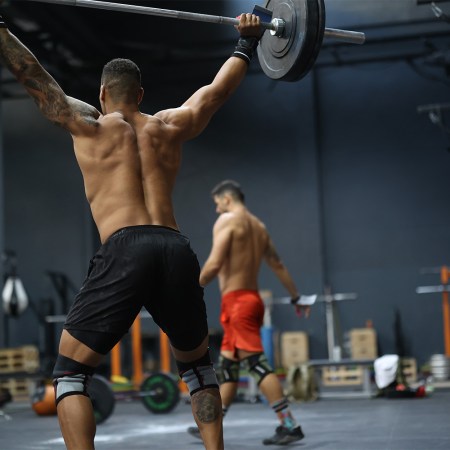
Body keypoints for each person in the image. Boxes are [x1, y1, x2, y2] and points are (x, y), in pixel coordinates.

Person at [0, 12, 264, 450]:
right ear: (140, 95)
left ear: (102, 94)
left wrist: (3, 28)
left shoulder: (88, 125)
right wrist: (248, 43)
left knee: (70, 374)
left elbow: (32, 74)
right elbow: (216, 93)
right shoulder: (168, 126)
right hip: (175, 248)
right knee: (198, 368)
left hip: (125, 248)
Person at [188, 179, 310, 446]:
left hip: (237, 303)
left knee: (256, 363)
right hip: (251, 299)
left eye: (218, 204)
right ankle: (212, 423)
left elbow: (215, 262)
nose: (217, 211)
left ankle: (289, 424)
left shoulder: (228, 221)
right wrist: (296, 297)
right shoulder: (259, 226)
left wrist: (191, 287)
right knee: (229, 366)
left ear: (228, 200)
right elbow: (277, 264)